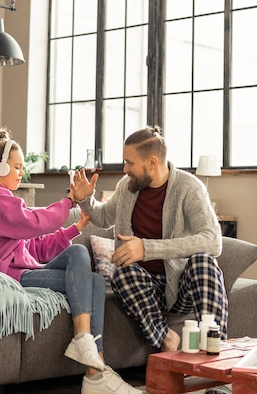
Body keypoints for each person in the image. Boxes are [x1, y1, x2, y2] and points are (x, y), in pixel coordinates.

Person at [0, 127, 143, 394]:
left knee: (89, 272)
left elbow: (34, 245)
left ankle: (93, 364)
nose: (21, 173)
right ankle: (91, 357)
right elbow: (33, 223)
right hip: (9, 275)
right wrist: (70, 200)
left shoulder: (5, 201)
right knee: (82, 266)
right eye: (16, 167)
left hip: (24, 268)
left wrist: (73, 230)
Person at [71, 125, 228, 354]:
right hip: (142, 285)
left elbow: (213, 241)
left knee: (204, 262)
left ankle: (217, 353)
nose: (125, 169)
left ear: (152, 162)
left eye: (130, 162)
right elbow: (104, 217)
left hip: (180, 287)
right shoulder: (127, 187)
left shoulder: (189, 187)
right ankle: (165, 338)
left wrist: (147, 248)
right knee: (123, 273)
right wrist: (86, 200)